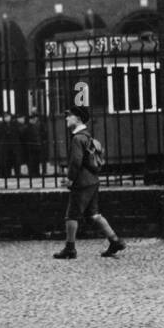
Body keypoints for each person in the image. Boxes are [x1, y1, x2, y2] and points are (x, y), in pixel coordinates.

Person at [53, 105, 125, 259]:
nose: (66, 118)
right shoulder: (87, 136)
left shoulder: (77, 138)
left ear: (77, 119)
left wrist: (70, 180)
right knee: (94, 214)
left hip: (82, 182)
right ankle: (115, 241)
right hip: (93, 181)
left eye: (69, 116)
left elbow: (76, 162)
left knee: (71, 215)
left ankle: (70, 249)